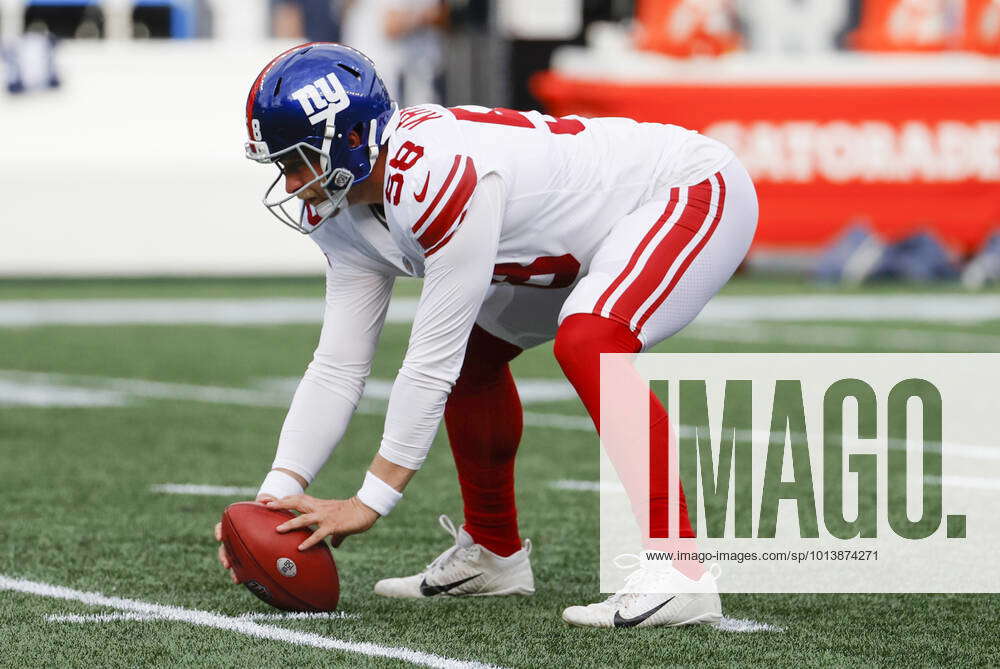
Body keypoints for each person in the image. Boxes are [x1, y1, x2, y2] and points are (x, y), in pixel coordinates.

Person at [215, 42, 758, 629]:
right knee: (477, 362)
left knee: (589, 340)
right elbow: (338, 363)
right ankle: (494, 553)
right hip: (569, 241)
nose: (291, 181)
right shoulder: (343, 209)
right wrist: (272, 498)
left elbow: (428, 362)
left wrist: (369, 501)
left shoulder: (433, 177)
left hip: (683, 190)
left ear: (350, 138)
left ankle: (679, 569)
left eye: (297, 160)